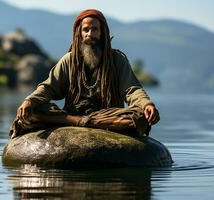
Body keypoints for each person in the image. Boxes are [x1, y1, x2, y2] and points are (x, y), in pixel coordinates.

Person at [10, 9, 159, 138]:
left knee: (139, 117)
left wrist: (146, 104)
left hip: (107, 116)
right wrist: (29, 101)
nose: (90, 34)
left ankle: (89, 122)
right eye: (86, 30)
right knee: (32, 110)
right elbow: (49, 87)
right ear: (79, 34)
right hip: (72, 117)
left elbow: (132, 89)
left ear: (102, 33)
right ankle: (81, 122)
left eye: (95, 29)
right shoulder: (69, 60)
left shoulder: (116, 60)